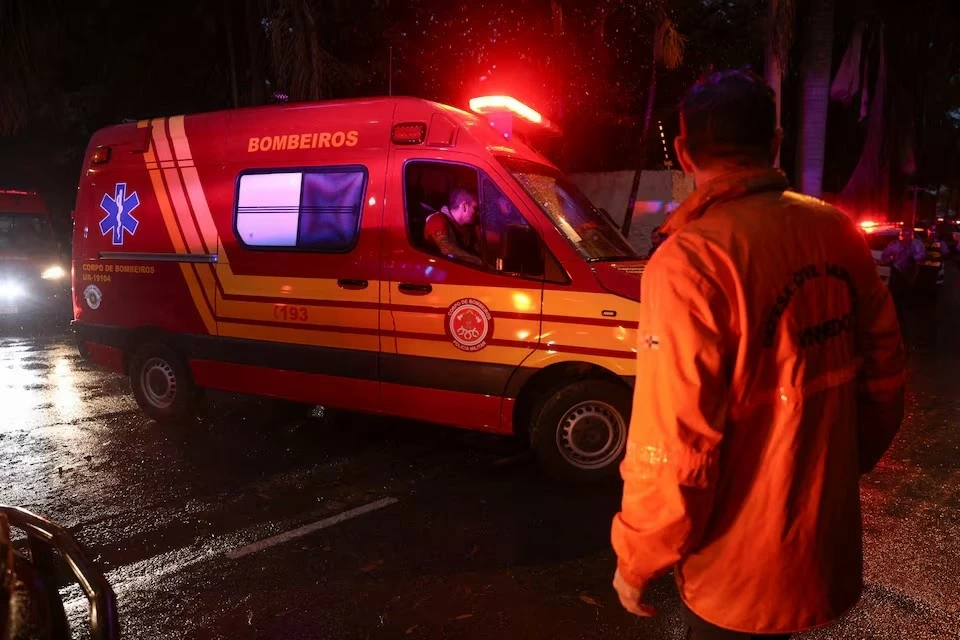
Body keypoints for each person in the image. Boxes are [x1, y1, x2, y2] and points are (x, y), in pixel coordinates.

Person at [610, 70, 905, 639]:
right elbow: (885, 379)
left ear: (684, 153)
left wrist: (637, 557)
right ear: (774, 143)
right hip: (818, 546)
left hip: (735, 570)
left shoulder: (692, 261)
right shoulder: (837, 233)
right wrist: (829, 469)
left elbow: (672, 442)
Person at [423, 188, 482, 265]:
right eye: (475, 208)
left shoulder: (468, 227)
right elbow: (448, 248)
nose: (477, 213)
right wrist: (479, 262)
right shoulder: (437, 220)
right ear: (464, 206)